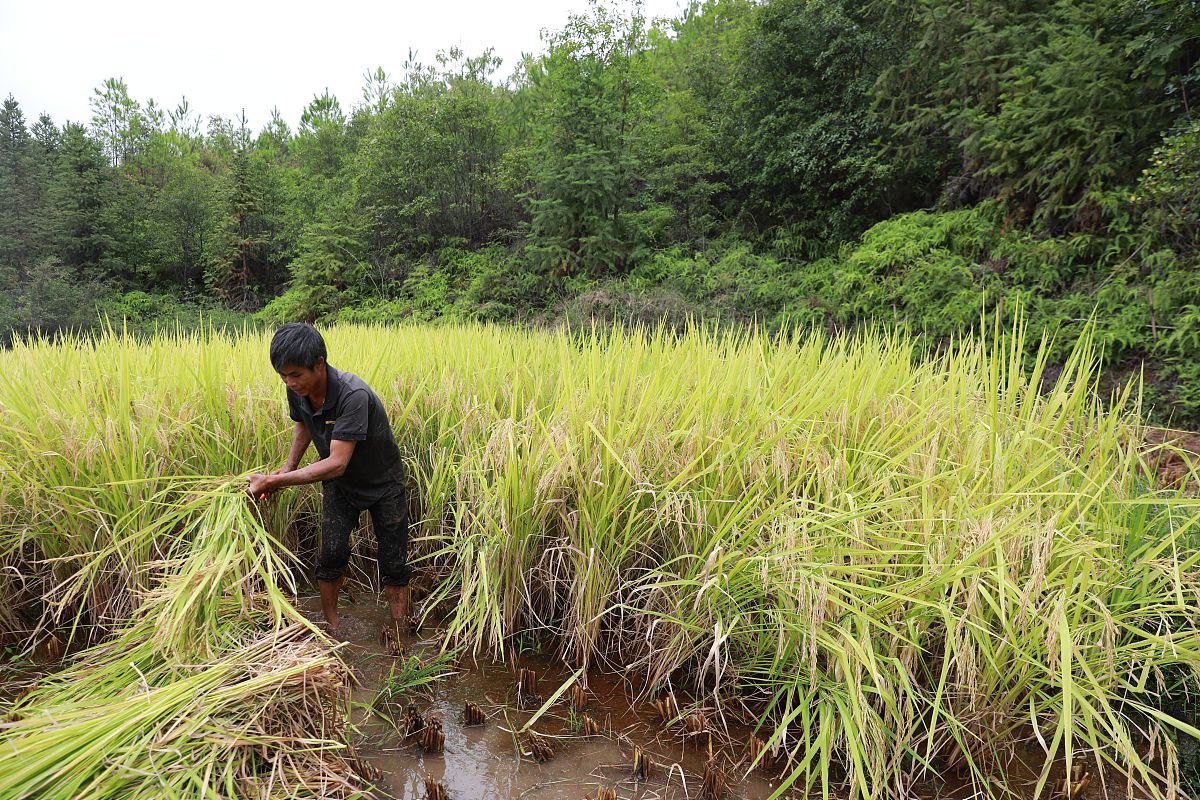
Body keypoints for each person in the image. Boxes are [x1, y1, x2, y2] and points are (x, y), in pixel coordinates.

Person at [247, 323, 410, 633]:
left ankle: (399, 630)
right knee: (331, 554)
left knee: (394, 561)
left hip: (383, 483)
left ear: (319, 363)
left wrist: (273, 481)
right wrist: (287, 465)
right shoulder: (299, 389)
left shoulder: (353, 394)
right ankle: (331, 628)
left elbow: (337, 463)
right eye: (283, 376)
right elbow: (304, 423)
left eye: (296, 375)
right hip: (342, 485)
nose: (290, 382)